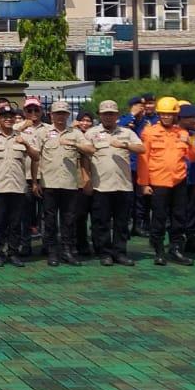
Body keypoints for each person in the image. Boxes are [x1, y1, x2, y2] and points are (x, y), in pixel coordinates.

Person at [138, 97, 195, 266]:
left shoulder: (182, 133)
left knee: (179, 217)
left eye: (169, 114)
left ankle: (176, 249)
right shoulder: (150, 132)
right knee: (159, 218)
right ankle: (159, 251)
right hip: (158, 182)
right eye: (163, 114)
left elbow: (194, 157)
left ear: (175, 116)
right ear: (159, 115)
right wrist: (144, 184)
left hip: (179, 181)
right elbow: (143, 159)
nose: (166, 117)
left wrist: (189, 143)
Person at [0, 106, 38, 267]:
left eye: (11, 116)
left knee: (16, 223)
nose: (8, 119)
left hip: (18, 187)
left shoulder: (23, 137)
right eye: (4, 116)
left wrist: (25, 143)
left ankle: (13, 252)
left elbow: (36, 157)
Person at [86, 100, 145, 266]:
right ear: (100, 115)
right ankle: (104, 253)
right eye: (105, 114)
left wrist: (124, 144)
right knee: (101, 221)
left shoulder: (126, 132)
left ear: (117, 115)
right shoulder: (91, 133)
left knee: (122, 222)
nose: (108, 117)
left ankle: (120, 252)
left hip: (123, 184)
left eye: (111, 113)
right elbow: (83, 154)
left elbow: (142, 149)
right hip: (101, 185)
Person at [32, 100, 91, 267]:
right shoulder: (43, 133)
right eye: (57, 113)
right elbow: (36, 158)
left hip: (69, 184)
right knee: (49, 220)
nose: (60, 117)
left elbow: (91, 150)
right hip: (49, 183)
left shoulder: (76, 133)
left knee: (69, 220)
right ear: (51, 115)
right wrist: (35, 181)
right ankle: (52, 251)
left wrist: (74, 143)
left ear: (68, 115)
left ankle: (67, 250)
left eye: (63, 114)